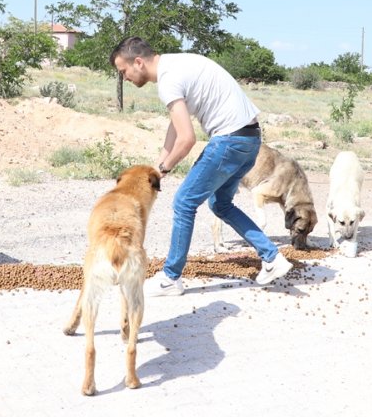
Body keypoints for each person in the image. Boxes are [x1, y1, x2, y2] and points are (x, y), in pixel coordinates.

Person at [109, 36, 293, 297]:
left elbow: (187, 139)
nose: (124, 78)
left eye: (123, 71)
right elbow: (174, 128)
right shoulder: (178, 65)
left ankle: (171, 278)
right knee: (220, 204)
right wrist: (157, 167)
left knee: (184, 202)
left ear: (138, 62)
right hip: (250, 140)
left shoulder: (169, 81)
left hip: (228, 141)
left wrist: (164, 169)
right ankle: (272, 257)